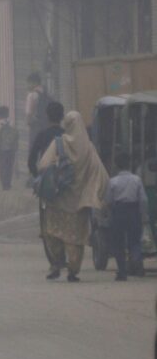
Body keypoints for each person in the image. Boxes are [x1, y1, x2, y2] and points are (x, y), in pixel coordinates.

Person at [38, 111, 109, 282]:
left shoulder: (59, 143)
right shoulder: (88, 147)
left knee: (53, 233)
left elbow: (43, 165)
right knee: (75, 238)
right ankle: (73, 270)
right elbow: (101, 174)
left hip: (58, 200)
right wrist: (95, 194)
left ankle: (56, 265)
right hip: (78, 203)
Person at [105, 153, 148, 281]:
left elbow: (108, 200)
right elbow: (143, 200)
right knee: (134, 241)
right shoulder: (137, 180)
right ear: (129, 164)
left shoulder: (113, 181)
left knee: (118, 243)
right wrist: (143, 215)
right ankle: (137, 264)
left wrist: (110, 213)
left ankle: (122, 272)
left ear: (117, 165)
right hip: (134, 211)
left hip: (119, 212)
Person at [28, 101, 65, 177]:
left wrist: (38, 177)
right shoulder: (67, 135)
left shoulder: (41, 135)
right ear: (62, 117)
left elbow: (31, 161)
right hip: (64, 180)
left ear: (47, 117)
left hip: (46, 179)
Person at [0, 105, 19, 190]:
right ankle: (8, 183)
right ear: (7, 114)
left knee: (2, 167)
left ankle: (4, 184)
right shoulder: (12, 124)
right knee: (10, 166)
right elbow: (16, 135)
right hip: (11, 149)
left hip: (2, 150)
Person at [25, 72, 50, 147]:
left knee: (33, 150)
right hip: (46, 125)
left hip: (36, 126)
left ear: (34, 82)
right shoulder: (46, 94)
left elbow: (29, 113)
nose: (28, 85)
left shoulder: (32, 95)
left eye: (29, 83)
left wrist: (29, 123)